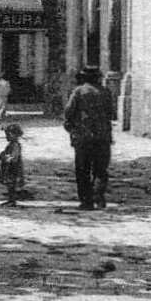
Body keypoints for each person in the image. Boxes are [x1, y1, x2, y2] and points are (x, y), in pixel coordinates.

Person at [63, 67, 114, 210]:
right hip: (102, 137)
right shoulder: (105, 92)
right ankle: (99, 196)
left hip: (83, 137)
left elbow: (69, 112)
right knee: (100, 170)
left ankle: (87, 201)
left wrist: (71, 127)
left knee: (83, 170)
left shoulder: (79, 92)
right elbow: (111, 112)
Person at [0, 123, 26, 206]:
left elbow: (14, 157)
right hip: (10, 167)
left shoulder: (15, 145)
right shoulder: (11, 144)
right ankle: (10, 200)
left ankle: (12, 200)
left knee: (11, 185)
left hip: (13, 168)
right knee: (10, 185)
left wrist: (4, 157)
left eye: (8, 135)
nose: (6, 137)